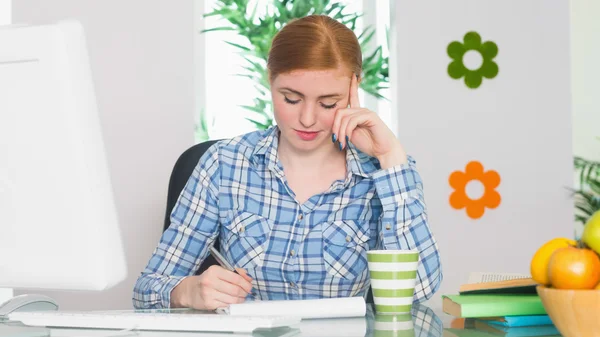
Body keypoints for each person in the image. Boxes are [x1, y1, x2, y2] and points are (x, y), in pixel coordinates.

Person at [133, 14, 442, 310]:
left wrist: (390, 157)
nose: (307, 119)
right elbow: (147, 290)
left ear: (353, 89)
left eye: (328, 103)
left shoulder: (387, 171)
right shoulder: (223, 165)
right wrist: (187, 291)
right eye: (291, 99)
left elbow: (419, 291)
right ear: (270, 80)